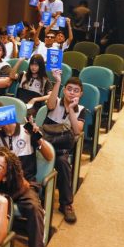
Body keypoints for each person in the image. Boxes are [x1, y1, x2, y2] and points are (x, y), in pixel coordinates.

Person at [0, 100, 53, 247]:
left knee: (33, 207)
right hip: (1, 183)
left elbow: (49, 156)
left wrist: (37, 137)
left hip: (26, 184)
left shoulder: (26, 130)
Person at [45, 72, 86, 223]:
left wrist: (71, 110)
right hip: (45, 143)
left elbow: (77, 131)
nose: (72, 92)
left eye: (76, 90)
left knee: (62, 162)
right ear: (64, 90)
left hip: (61, 147)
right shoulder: (55, 101)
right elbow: (49, 105)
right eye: (69, 89)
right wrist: (57, 82)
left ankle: (66, 204)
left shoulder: (81, 109)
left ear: (80, 94)